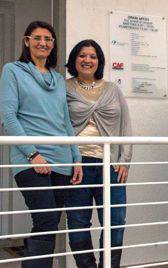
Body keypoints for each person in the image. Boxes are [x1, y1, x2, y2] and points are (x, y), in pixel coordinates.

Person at [0, 21, 82, 268]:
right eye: (37, 38)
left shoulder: (58, 79)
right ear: (27, 41)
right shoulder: (13, 71)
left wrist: (76, 158)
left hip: (62, 161)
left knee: (50, 224)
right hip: (30, 160)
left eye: (48, 39)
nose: (43, 43)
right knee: (45, 220)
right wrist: (33, 154)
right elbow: (8, 116)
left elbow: (65, 122)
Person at [65, 39, 133, 268]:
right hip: (77, 165)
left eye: (93, 56)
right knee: (77, 223)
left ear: (99, 61)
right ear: (75, 59)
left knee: (115, 223)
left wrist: (125, 161)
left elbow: (125, 126)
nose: (87, 60)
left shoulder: (113, 89)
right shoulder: (64, 88)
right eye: (82, 55)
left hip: (111, 165)